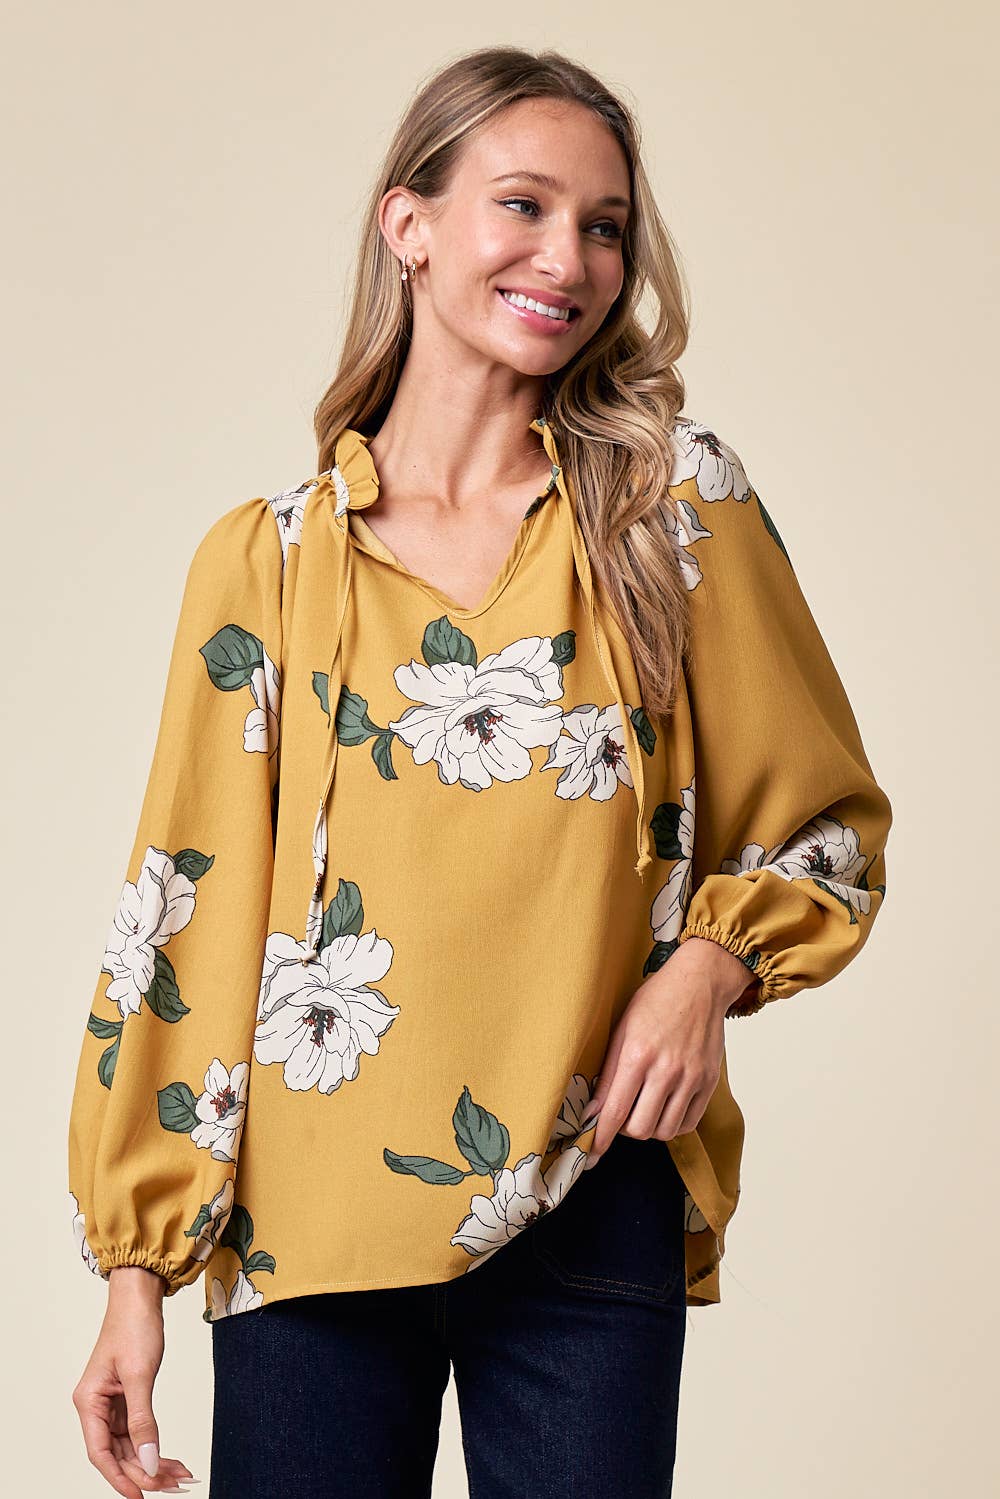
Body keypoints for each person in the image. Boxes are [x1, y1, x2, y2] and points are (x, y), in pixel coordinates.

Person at [67, 44, 893, 1499]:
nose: (568, 259)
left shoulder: (667, 510)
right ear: (410, 224)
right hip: (305, 1230)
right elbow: (183, 913)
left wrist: (709, 970)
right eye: (523, 204)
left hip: (594, 1190)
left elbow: (825, 824)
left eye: (604, 226)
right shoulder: (268, 563)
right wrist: (138, 1272)